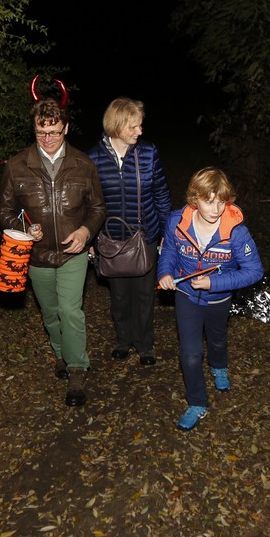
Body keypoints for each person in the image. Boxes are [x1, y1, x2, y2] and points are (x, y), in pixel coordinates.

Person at [0, 97, 106, 406]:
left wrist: (85, 232)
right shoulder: (17, 165)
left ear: (66, 128)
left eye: (54, 132)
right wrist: (23, 226)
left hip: (73, 253)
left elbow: (98, 208)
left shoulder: (83, 164)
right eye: (40, 132)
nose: (47, 139)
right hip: (37, 255)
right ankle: (61, 353)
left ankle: (76, 368)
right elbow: (3, 211)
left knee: (70, 310)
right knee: (50, 311)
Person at [157, 167, 263, 430]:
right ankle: (197, 402)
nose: (216, 209)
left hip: (219, 300)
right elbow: (168, 251)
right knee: (190, 353)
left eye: (221, 201)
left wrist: (214, 283)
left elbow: (254, 271)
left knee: (217, 339)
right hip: (186, 295)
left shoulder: (236, 232)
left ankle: (219, 366)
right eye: (208, 201)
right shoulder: (177, 222)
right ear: (195, 198)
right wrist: (165, 272)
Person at [87, 97, 173, 366]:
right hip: (111, 239)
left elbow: (161, 193)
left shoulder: (148, 153)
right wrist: (90, 238)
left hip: (145, 235)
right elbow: (89, 203)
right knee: (120, 295)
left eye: (140, 125)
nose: (140, 131)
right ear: (116, 125)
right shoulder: (93, 158)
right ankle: (123, 340)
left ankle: (145, 345)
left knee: (145, 295)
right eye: (133, 126)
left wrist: (167, 232)